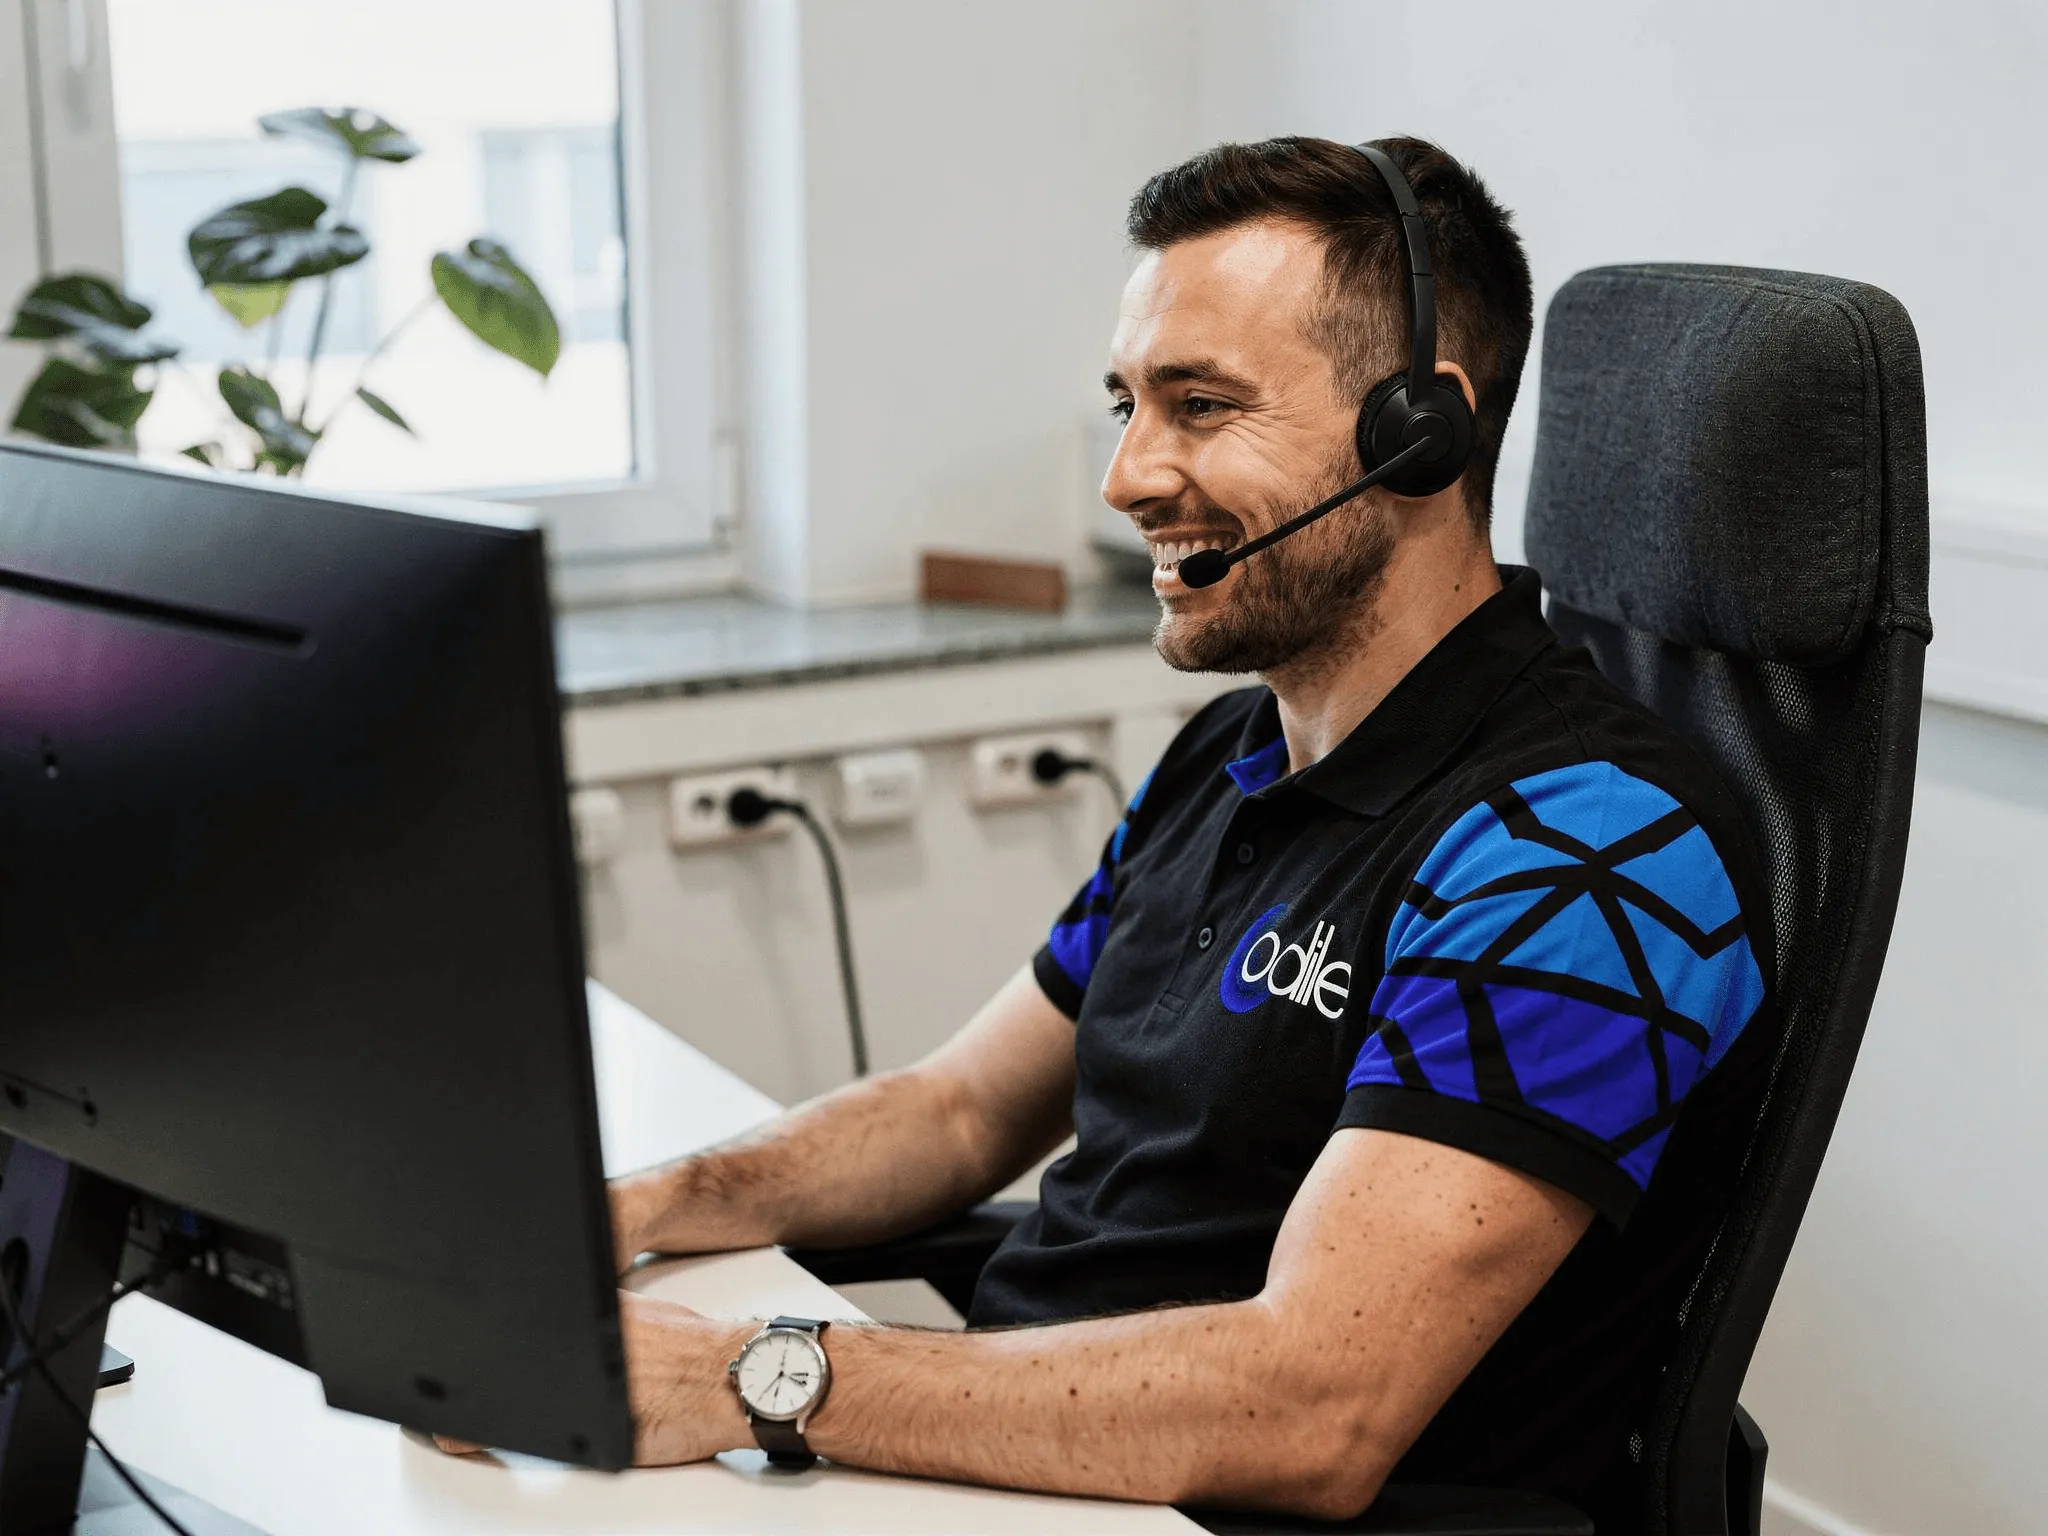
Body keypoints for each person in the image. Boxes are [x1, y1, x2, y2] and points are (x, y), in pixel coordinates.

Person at [449, 136, 1777, 1527]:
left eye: (1201, 406)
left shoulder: (1581, 856)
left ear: (1417, 432)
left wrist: (754, 1380)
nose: (1129, 476)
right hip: (1038, 1465)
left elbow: (1311, 1405)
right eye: (1128, 404)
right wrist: (653, 1203)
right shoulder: (1237, 748)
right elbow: (960, 1109)